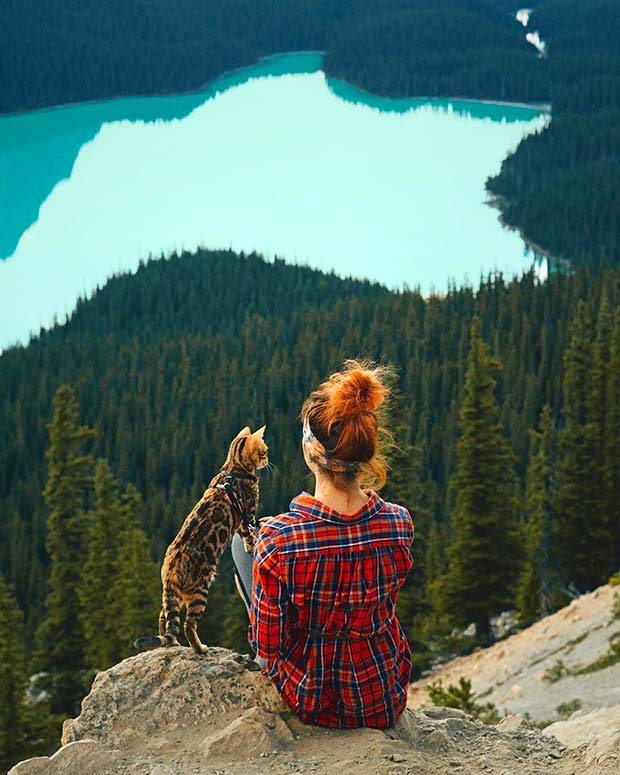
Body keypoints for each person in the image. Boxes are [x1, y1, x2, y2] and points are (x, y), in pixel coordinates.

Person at [231, 360, 414, 728]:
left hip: (312, 698)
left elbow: (269, 645)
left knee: (241, 543)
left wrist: (270, 543)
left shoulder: (280, 540)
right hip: (382, 694)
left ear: (313, 452)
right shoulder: (399, 522)